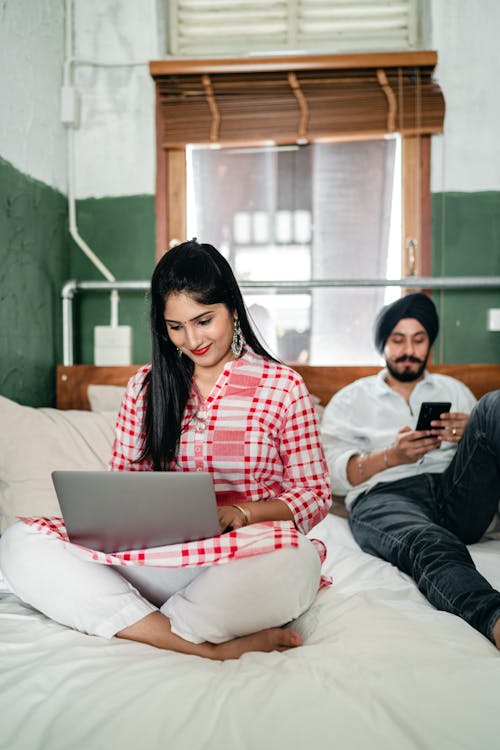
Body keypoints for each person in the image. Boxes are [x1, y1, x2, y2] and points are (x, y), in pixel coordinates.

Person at [0, 240, 331, 660]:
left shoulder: (282, 387)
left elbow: (314, 494)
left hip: (239, 560)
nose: (192, 339)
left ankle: (140, 620)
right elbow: (122, 484)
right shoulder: (144, 386)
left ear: (232, 307)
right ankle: (202, 645)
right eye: (176, 327)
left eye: (204, 320)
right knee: (19, 542)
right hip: (154, 561)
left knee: (296, 560)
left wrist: (245, 512)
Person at [321, 291, 500, 649]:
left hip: (454, 491)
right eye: (398, 340)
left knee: (492, 405)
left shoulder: (455, 390)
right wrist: (391, 456)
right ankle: (494, 620)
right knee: (431, 542)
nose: (409, 350)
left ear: (429, 344)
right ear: (383, 344)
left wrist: (469, 435)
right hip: (387, 495)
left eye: (419, 340)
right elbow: (331, 474)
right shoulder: (351, 399)